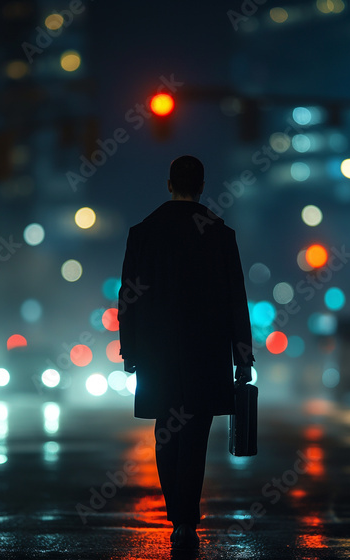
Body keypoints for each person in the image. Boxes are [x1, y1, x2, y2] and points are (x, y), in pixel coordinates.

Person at [118, 155, 255, 550]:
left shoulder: (143, 233)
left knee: (165, 431)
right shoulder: (219, 235)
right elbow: (235, 301)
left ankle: (177, 510)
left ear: (169, 184)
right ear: (202, 186)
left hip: (158, 353)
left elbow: (128, 298)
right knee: (195, 434)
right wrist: (242, 358)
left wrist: (130, 350)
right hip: (206, 354)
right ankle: (186, 517)